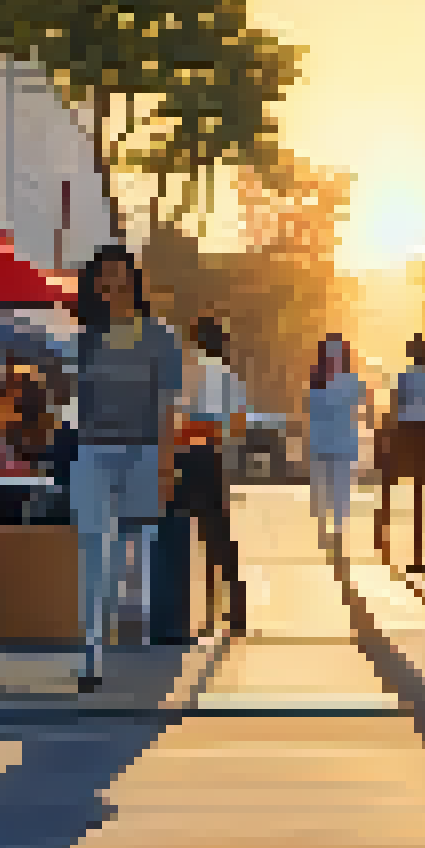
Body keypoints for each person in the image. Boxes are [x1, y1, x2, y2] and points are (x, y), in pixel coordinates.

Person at [71, 244, 189, 691]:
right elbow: (77, 398)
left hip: (142, 452)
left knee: (131, 559)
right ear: (96, 284)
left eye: (120, 277)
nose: (112, 286)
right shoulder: (86, 338)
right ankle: (92, 653)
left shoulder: (159, 337)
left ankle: (134, 653)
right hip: (93, 452)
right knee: (92, 551)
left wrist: (164, 463)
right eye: (105, 278)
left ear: (133, 283)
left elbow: (167, 405)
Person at [157, 316, 248, 639]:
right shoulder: (229, 376)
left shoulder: (185, 369)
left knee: (174, 533)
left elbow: (170, 414)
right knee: (218, 534)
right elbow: (237, 426)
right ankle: (234, 611)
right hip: (213, 458)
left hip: (182, 457)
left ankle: (179, 616)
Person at [381, 335, 425, 573]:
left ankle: (386, 539)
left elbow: (394, 410)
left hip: (408, 438)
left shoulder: (403, 379)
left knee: (407, 492)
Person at [307, 335, 370, 544]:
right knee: (321, 491)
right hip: (323, 443)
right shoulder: (317, 379)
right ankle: (324, 527)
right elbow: (313, 410)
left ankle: (338, 531)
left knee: (340, 490)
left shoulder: (351, 381)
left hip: (342, 443)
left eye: (337, 354)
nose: (334, 358)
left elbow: (362, 401)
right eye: (330, 354)